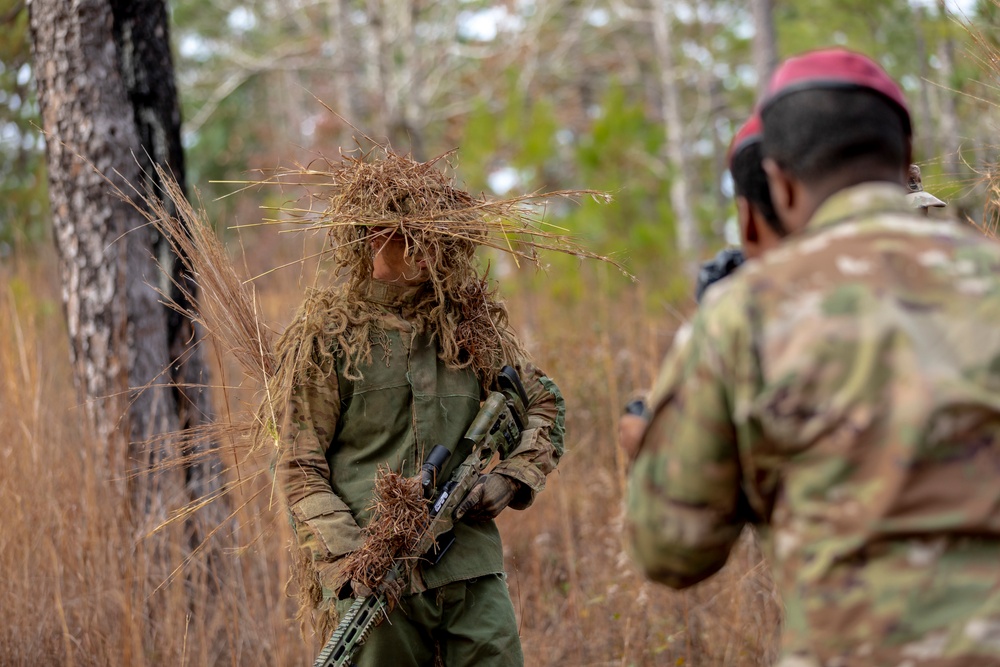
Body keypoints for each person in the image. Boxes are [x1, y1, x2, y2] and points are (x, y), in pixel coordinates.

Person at [625, 47, 1000, 666]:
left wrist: (661, 450)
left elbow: (672, 549)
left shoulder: (744, 314)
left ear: (780, 182)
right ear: (906, 162)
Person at [274, 153, 565, 666]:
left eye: (432, 239)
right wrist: (350, 557)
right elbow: (300, 468)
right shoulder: (326, 337)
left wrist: (511, 478)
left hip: (468, 567)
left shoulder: (470, 328)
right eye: (405, 237)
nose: (422, 253)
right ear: (368, 239)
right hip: (376, 584)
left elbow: (543, 402)